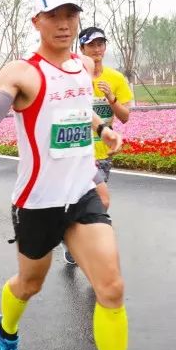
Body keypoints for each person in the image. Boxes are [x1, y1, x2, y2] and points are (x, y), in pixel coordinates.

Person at [0, 0, 154, 350]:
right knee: (29, 284)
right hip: (38, 202)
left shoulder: (83, 66)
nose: (65, 23)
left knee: (112, 287)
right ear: (37, 21)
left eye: (71, 14)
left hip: (81, 194)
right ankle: (6, 329)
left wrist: (102, 129)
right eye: (54, 15)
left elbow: (77, 109)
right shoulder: (22, 73)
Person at [63, 26, 133, 266]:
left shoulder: (115, 78)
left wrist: (111, 98)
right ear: (81, 48)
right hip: (77, 151)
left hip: (103, 153)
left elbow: (124, 117)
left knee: (96, 202)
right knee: (96, 200)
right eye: (91, 45)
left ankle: (72, 237)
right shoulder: (71, 79)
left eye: (100, 44)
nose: (97, 49)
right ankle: (85, 245)